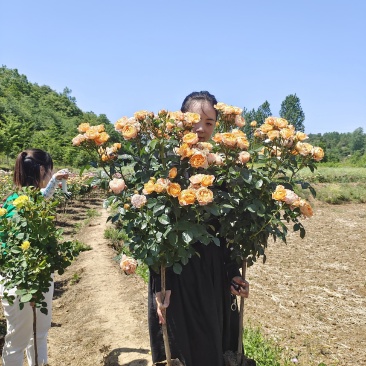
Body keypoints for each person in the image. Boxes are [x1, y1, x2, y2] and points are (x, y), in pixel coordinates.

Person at [148, 91, 249, 366]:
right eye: (195, 120)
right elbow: (153, 234)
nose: (201, 128)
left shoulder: (223, 170)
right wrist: (159, 284)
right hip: (175, 278)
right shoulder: (165, 164)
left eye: (209, 122)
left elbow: (226, 231)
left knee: (211, 348)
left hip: (212, 275)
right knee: (180, 350)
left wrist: (232, 274)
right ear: (181, 120)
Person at [0, 148, 69, 366]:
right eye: (50, 171)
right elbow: (41, 198)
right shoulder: (20, 202)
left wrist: (57, 182)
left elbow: (44, 198)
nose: (50, 174)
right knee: (18, 340)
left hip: (31, 276)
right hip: (19, 280)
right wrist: (55, 181)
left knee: (38, 334)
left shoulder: (10, 200)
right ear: (42, 170)